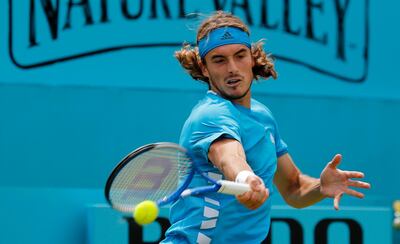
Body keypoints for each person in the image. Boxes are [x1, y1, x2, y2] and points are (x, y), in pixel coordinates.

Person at [161, 11, 371, 244]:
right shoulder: (209, 115)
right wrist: (244, 179)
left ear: (251, 58)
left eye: (240, 56)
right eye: (219, 60)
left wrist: (320, 186)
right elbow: (228, 156)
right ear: (204, 68)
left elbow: (293, 187)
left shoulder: (262, 117)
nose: (232, 68)